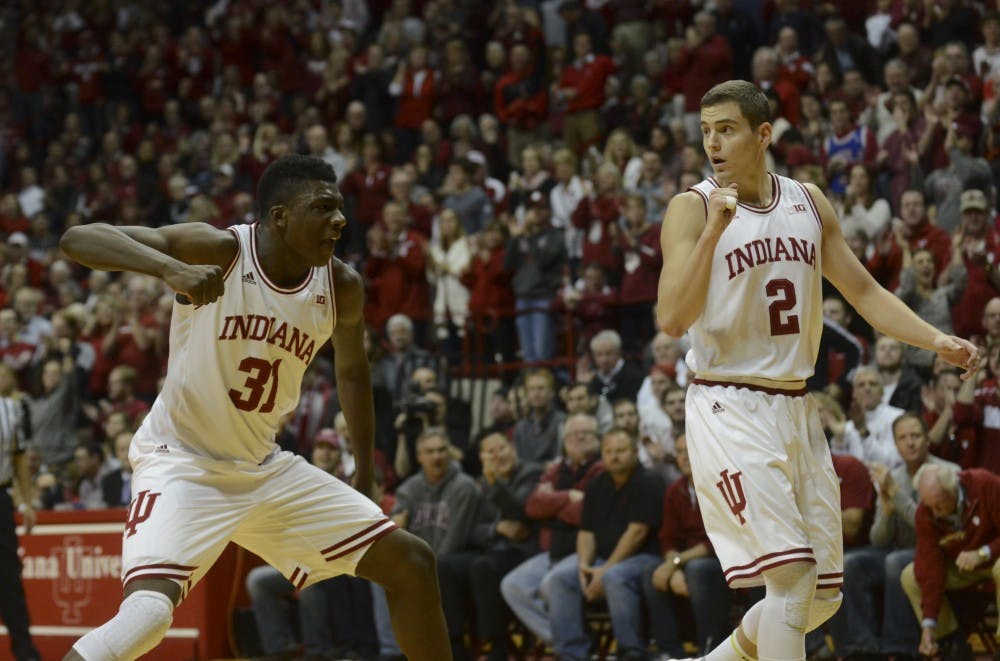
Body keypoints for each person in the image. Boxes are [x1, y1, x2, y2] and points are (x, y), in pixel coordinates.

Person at [58, 155, 450, 661]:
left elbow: (353, 374)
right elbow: (77, 238)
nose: (340, 220)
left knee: (413, 563)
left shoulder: (341, 286)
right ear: (281, 216)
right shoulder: (221, 249)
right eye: (324, 207)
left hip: (262, 467)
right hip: (181, 463)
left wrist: (366, 478)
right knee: (148, 617)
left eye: (340, 207)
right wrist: (171, 269)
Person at [655, 80, 978, 661]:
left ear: (762, 135)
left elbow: (865, 291)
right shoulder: (692, 208)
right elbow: (672, 318)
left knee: (820, 597)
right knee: (791, 579)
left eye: (725, 130)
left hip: (796, 406)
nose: (712, 144)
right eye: (705, 132)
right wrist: (711, 235)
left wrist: (936, 340)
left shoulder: (807, 201)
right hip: (729, 402)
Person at [901, 463, 1000, 658]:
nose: (935, 512)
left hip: (994, 559)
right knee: (910, 576)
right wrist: (928, 625)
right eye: (929, 505)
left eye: (939, 504)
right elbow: (930, 566)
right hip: (962, 568)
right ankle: (951, 643)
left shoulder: (985, 484)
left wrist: (983, 553)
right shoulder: (926, 512)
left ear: (953, 490)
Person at [0, 393, 40, 661]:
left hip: (1, 498)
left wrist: (25, 502)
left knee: (9, 579)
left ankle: (26, 653)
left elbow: (18, 458)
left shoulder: (8, 408)